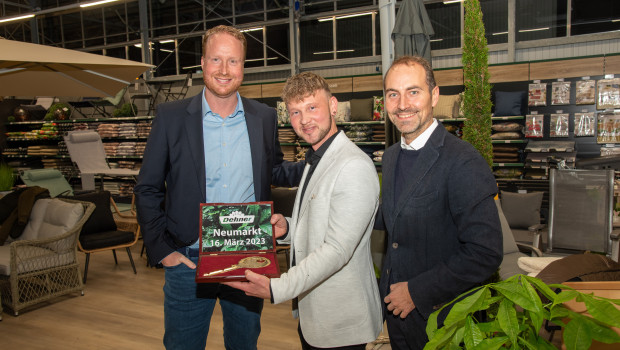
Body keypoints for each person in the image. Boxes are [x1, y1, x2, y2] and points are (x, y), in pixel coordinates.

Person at [134, 25, 303, 350]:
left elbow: (274, 169)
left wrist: (318, 161)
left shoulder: (264, 117)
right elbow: (147, 187)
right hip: (188, 257)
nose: (224, 70)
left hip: (247, 256)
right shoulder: (171, 117)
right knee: (182, 344)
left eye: (233, 61)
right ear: (202, 63)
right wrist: (161, 250)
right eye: (216, 59)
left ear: (243, 67)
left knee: (244, 343)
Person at [225, 72, 383, 350]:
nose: (304, 120)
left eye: (312, 107)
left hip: (341, 322)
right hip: (315, 314)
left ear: (333, 106)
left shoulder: (353, 166)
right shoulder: (315, 159)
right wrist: (287, 227)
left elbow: (337, 250)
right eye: (296, 112)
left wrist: (277, 288)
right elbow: (321, 221)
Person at [376, 55, 503, 349]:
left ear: (434, 95)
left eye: (413, 91)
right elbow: (395, 219)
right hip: (398, 317)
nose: (402, 103)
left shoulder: (463, 161)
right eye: (393, 94)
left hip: (444, 321)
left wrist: (417, 292)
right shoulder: (393, 156)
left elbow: (485, 252)